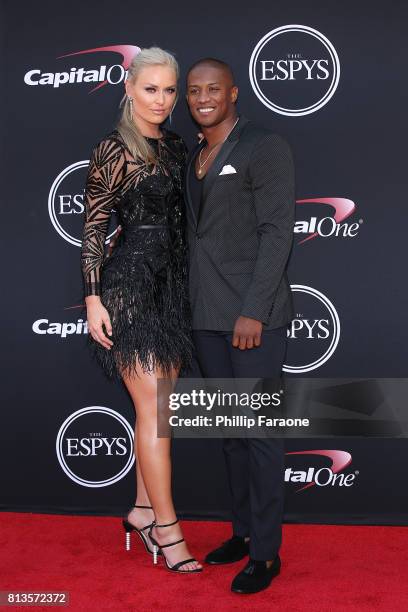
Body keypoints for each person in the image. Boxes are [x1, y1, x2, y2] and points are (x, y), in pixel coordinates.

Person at [81, 47, 202, 573]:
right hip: (129, 285)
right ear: (128, 88)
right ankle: (168, 531)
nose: (161, 99)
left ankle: (141, 510)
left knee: (159, 412)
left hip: (173, 288)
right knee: (156, 415)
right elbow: (93, 229)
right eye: (150, 88)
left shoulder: (177, 146)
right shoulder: (113, 148)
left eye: (169, 89)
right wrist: (92, 297)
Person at [185, 58, 295, 593]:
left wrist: (253, 309)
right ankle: (244, 535)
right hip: (205, 315)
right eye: (193, 91)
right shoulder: (194, 156)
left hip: (253, 316)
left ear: (233, 93)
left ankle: (269, 555)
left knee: (261, 436)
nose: (202, 97)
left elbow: (277, 233)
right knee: (230, 436)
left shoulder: (264, 145)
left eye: (213, 89)